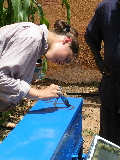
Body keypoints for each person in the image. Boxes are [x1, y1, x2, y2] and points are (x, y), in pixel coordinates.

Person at [0, 19, 79, 112]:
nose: (60, 63)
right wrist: (40, 94)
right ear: (67, 41)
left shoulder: (37, 42)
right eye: (66, 58)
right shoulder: (33, 37)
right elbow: (1, 77)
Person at [84, 0, 120, 146]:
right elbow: (90, 36)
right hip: (112, 87)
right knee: (110, 139)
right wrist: (98, 60)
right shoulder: (105, 8)